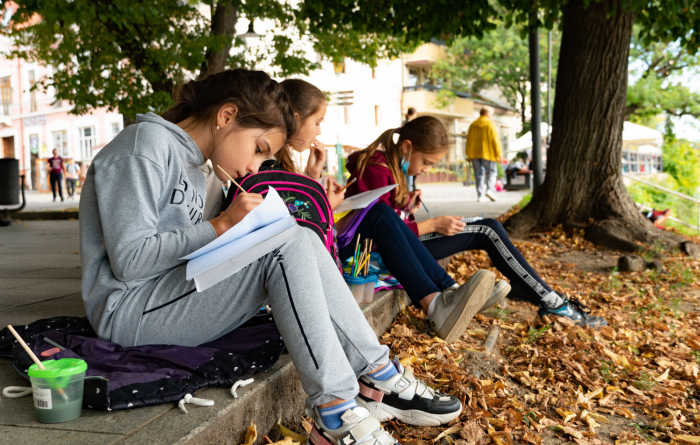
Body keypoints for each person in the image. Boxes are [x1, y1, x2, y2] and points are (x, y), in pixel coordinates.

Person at [79, 69, 464, 439]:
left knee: (297, 236)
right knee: (284, 245)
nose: (253, 166)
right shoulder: (143, 146)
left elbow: (190, 250)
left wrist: (246, 230)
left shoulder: (202, 167)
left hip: (170, 295)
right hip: (128, 313)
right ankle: (336, 410)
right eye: (259, 149)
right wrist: (221, 225)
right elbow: (130, 262)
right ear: (226, 115)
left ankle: (377, 373)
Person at [274, 79, 499, 347]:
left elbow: (301, 213)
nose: (319, 131)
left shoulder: (284, 161)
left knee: (382, 213)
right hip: (313, 255)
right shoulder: (273, 163)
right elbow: (298, 224)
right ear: (296, 118)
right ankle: (439, 300)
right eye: (318, 122)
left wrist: (313, 177)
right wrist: (327, 203)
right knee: (379, 213)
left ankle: (448, 294)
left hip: (322, 247)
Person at [345, 116, 607, 328]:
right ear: (407, 147)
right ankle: (550, 300)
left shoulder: (392, 167)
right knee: (487, 229)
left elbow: (392, 219)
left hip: (398, 247)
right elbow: (383, 229)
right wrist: (433, 225)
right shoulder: (377, 168)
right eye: (426, 162)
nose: (426, 169)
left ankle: (466, 294)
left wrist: (407, 206)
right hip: (375, 254)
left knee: (488, 227)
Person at [466, 108, 502, 202]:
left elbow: (468, 140)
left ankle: (480, 195)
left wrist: (468, 154)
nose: (491, 116)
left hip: (474, 153)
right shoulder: (490, 124)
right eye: (491, 114)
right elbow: (495, 140)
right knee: (491, 172)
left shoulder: (473, 125)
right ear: (487, 113)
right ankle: (490, 190)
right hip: (488, 153)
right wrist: (499, 154)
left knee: (478, 174)